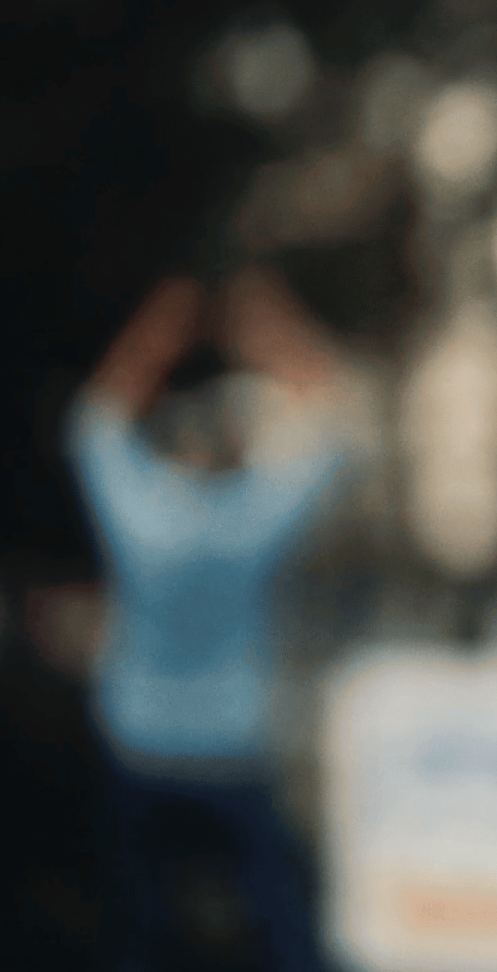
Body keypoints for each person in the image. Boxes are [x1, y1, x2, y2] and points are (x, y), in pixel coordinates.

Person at [71, 268, 347, 972]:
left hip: (138, 742)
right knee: (282, 929)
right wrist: (264, 325)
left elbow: (93, 420)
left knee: (138, 930)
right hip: (232, 748)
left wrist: (159, 330)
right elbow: (338, 419)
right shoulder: (249, 519)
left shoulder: (138, 513)